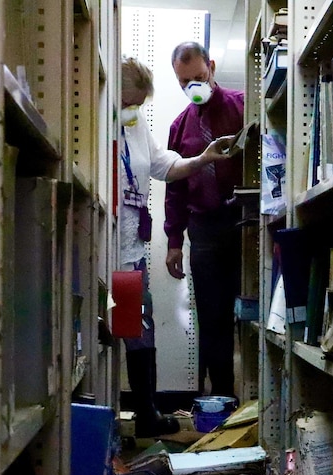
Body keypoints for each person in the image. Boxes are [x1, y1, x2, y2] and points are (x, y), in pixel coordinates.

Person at [119, 56, 234, 437]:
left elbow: (164, 166)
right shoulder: (95, 121)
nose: (132, 111)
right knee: (112, 329)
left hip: (129, 249)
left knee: (137, 326)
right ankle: (115, 411)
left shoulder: (133, 124)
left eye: (137, 104)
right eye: (127, 103)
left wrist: (202, 159)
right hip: (102, 249)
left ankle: (146, 414)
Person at [164, 42, 245, 401]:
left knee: (249, 311)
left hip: (244, 220)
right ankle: (223, 399)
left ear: (210, 67)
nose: (193, 86)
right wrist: (173, 241)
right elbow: (175, 189)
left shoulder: (243, 106)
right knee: (212, 319)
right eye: (184, 82)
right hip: (205, 228)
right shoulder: (179, 127)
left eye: (198, 77)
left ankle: (259, 400)